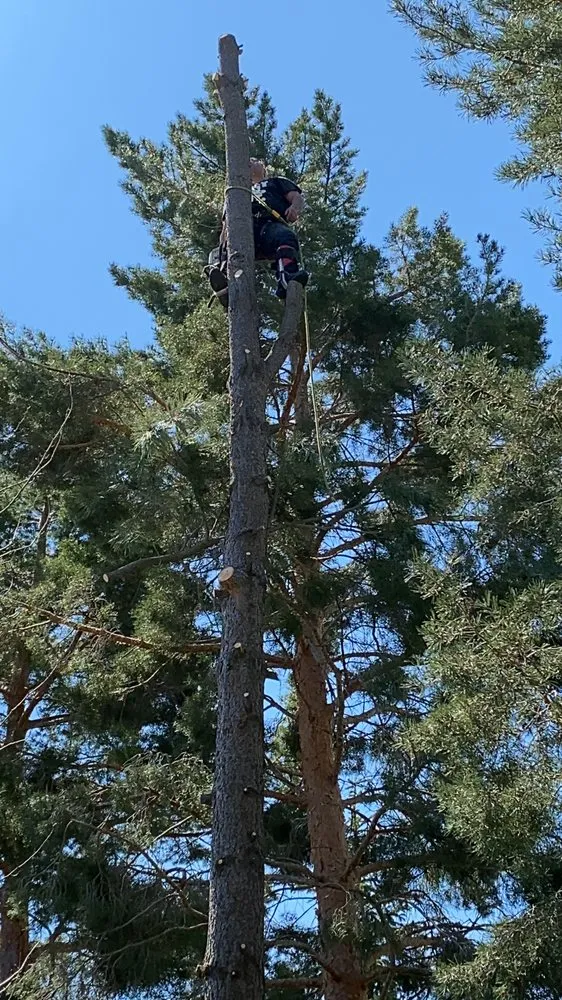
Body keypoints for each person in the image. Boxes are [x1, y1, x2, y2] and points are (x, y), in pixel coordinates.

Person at [205, 159, 309, 309]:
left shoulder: (276, 182)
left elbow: (296, 197)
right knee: (226, 248)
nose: (250, 162)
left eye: (254, 160)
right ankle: (224, 283)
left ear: (264, 168)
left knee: (285, 236)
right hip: (242, 228)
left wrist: (294, 208)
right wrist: (223, 243)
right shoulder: (234, 193)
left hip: (269, 225)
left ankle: (287, 276)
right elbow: (226, 225)